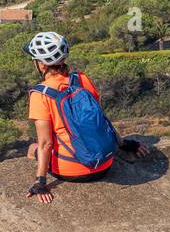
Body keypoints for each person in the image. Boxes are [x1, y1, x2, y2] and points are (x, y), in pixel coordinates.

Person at [23, 31, 149, 203]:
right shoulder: (81, 79)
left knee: (32, 148)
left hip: (71, 171)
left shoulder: (40, 94)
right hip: (104, 165)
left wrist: (41, 182)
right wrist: (125, 144)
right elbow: (99, 120)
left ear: (42, 65)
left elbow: (46, 144)